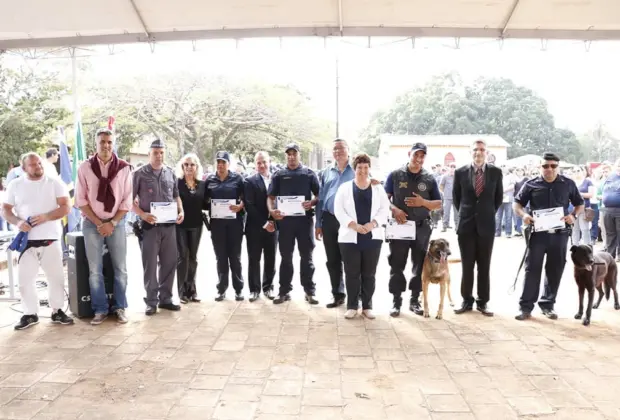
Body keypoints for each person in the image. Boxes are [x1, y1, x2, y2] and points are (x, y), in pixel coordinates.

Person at [2, 153, 73, 330]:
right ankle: (29, 313)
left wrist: (47, 216)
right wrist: (18, 222)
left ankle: (57, 310)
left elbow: (66, 206)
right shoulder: (15, 185)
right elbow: (6, 210)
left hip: (51, 238)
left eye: (39, 163)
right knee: (25, 280)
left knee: (55, 278)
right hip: (27, 241)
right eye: (33, 165)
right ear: (24, 168)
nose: (38, 167)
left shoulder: (54, 182)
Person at [513, 152, 584, 320]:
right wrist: (523, 215)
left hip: (559, 235)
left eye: (553, 166)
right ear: (540, 167)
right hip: (537, 235)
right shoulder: (531, 184)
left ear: (558, 167)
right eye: (545, 166)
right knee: (532, 269)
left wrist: (573, 216)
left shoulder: (568, 184)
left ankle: (548, 304)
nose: (549, 169)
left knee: (555, 269)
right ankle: (526, 307)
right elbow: (517, 204)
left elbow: (579, 204)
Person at [76, 128, 133, 325]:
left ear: (113, 143)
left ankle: (120, 307)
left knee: (120, 268)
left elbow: (127, 200)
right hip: (92, 224)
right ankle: (100, 309)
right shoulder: (85, 168)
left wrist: (113, 223)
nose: (106, 145)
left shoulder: (125, 168)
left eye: (109, 142)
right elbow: (81, 200)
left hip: (116, 223)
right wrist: (100, 223)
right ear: (96, 144)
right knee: (95, 269)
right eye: (102, 142)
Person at [384, 142, 442, 317]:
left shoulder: (430, 178)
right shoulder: (395, 175)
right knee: (397, 264)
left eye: (422, 156)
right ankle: (396, 301)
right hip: (400, 228)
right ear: (409, 154)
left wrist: (423, 203)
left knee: (419, 265)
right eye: (416, 154)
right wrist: (394, 209)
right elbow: (384, 199)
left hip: (421, 228)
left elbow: (438, 203)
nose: (418, 159)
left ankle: (414, 300)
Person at [333, 153, 390, 319]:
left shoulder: (378, 189)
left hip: (372, 237)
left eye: (366, 167)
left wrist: (372, 224)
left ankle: (367, 306)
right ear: (354, 168)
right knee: (352, 273)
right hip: (350, 237)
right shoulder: (344, 188)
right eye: (359, 167)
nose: (363, 171)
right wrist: (354, 225)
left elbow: (384, 210)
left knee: (369, 273)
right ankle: (352, 305)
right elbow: (339, 210)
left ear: (369, 168)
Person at [132, 139, 184, 315]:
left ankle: (166, 299)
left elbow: (176, 196)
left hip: (169, 226)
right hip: (149, 226)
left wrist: (181, 211)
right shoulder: (139, 174)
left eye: (162, 152)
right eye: (155, 152)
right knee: (150, 265)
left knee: (169, 263)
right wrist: (142, 214)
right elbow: (129, 202)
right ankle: (151, 301)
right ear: (149, 154)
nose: (159, 156)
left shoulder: (170, 173)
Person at [452, 139, 503, 317]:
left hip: (486, 227)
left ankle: (483, 301)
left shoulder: (496, 172)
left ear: (487, 152)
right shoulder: (460, 172)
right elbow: (456, 199)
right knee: (467, 265)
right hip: (466, 226)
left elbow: (498, 199)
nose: (478, 152)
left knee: (484, 265)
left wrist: (485, 214)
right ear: (470, 152)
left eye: (482, 149)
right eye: (475, 150)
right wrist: (469, 214)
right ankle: (466, 300)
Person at [267, 143, 321, 305]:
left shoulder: (309, 174)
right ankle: (284, 291)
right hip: (285, 223)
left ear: (299, 155)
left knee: (307, 257)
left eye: (294, 153)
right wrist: (272, 212)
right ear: (286, 156)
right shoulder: (278, 175)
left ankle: (309, 291)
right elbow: (270, 198)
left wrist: (311, 202)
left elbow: (319, 195)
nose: (291, 156)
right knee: (286, 257)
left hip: (304, 222)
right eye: (288, 154)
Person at [315, 139, 354, 308]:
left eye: (341, 148)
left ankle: (355, 296)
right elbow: (321, 198)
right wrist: (318, 223)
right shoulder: (326, 172)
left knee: (351, 259)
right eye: (335, 149)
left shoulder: (357, 170)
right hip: (329, 219)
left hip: (349, 221)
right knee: (332, 260)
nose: (337, 151)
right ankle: (337, 294)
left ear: (348, 150)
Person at [205, 151, 246, 301]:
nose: (221, 165)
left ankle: (238, 289)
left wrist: (241, 205)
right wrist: (210, 205)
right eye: (218, 162)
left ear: (229, 164)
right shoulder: (210, 180)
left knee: (235, 257)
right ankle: (221, 289)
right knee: (221, 257)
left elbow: (245, 198)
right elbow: (203, 201)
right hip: (217, 225)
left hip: (234, 224)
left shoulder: (238, 179)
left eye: (224, 162)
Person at [244, 151, 278, 302]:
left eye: (264, 162)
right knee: (254, 259)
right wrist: (264, 223)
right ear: (255, 164)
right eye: (259, 163)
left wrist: (273, 222)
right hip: (255, 227)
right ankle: (254, 289)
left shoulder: (277, 178)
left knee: (271, 258)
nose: (262, 165)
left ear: (269, 161)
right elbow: (249, 206)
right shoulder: (249, 181)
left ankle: (268, 287)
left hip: (274, 225)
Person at [175, 153, 206, 304]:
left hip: (197, 225)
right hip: (180, 225)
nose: (189, 167)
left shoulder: (202, 185)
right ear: (182, 167)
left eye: (192, 164)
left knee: (193, 258)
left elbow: (207, 204)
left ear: (196, 167)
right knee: (183, 257)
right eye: (186, 164)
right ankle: (182, 292)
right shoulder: (177, 183)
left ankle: (192, 290)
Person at [601, 159, 620, 260]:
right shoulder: (610, 177)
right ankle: (610, 255)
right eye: (618, 165)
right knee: (610, 234)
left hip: (619, 210)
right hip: (607, 210)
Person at [439, 163, 458, 232]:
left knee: (456, 213)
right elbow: (441, 186)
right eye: (451, 167)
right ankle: (445, 226)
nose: (452, 168)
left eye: (454, 167)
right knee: (446, 212)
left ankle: (457, 226)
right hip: (447, 197)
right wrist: (444, 193)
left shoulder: (458, 176)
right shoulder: (445, 176)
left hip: (456, 197)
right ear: (448, 168)